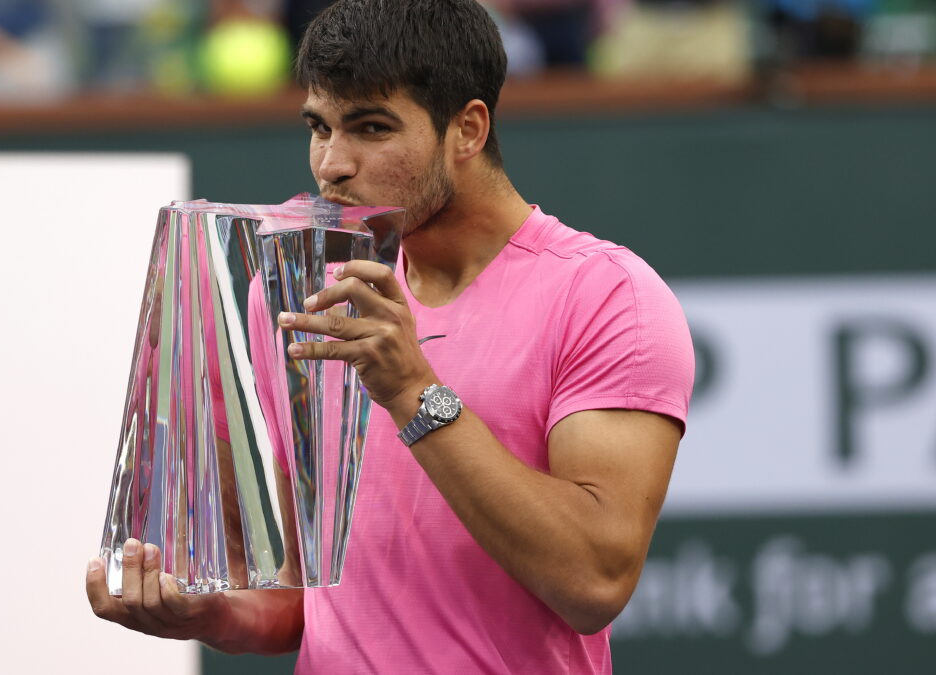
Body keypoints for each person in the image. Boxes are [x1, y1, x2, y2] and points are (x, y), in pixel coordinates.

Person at [85, 0, 694, 671]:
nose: (332, 164)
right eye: (319, 128)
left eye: (371, 128)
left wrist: (412, 391)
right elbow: (305, 590)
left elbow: (593, 581)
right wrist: (208, 611)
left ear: (467, 129)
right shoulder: (298, 290)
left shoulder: (609, 297)